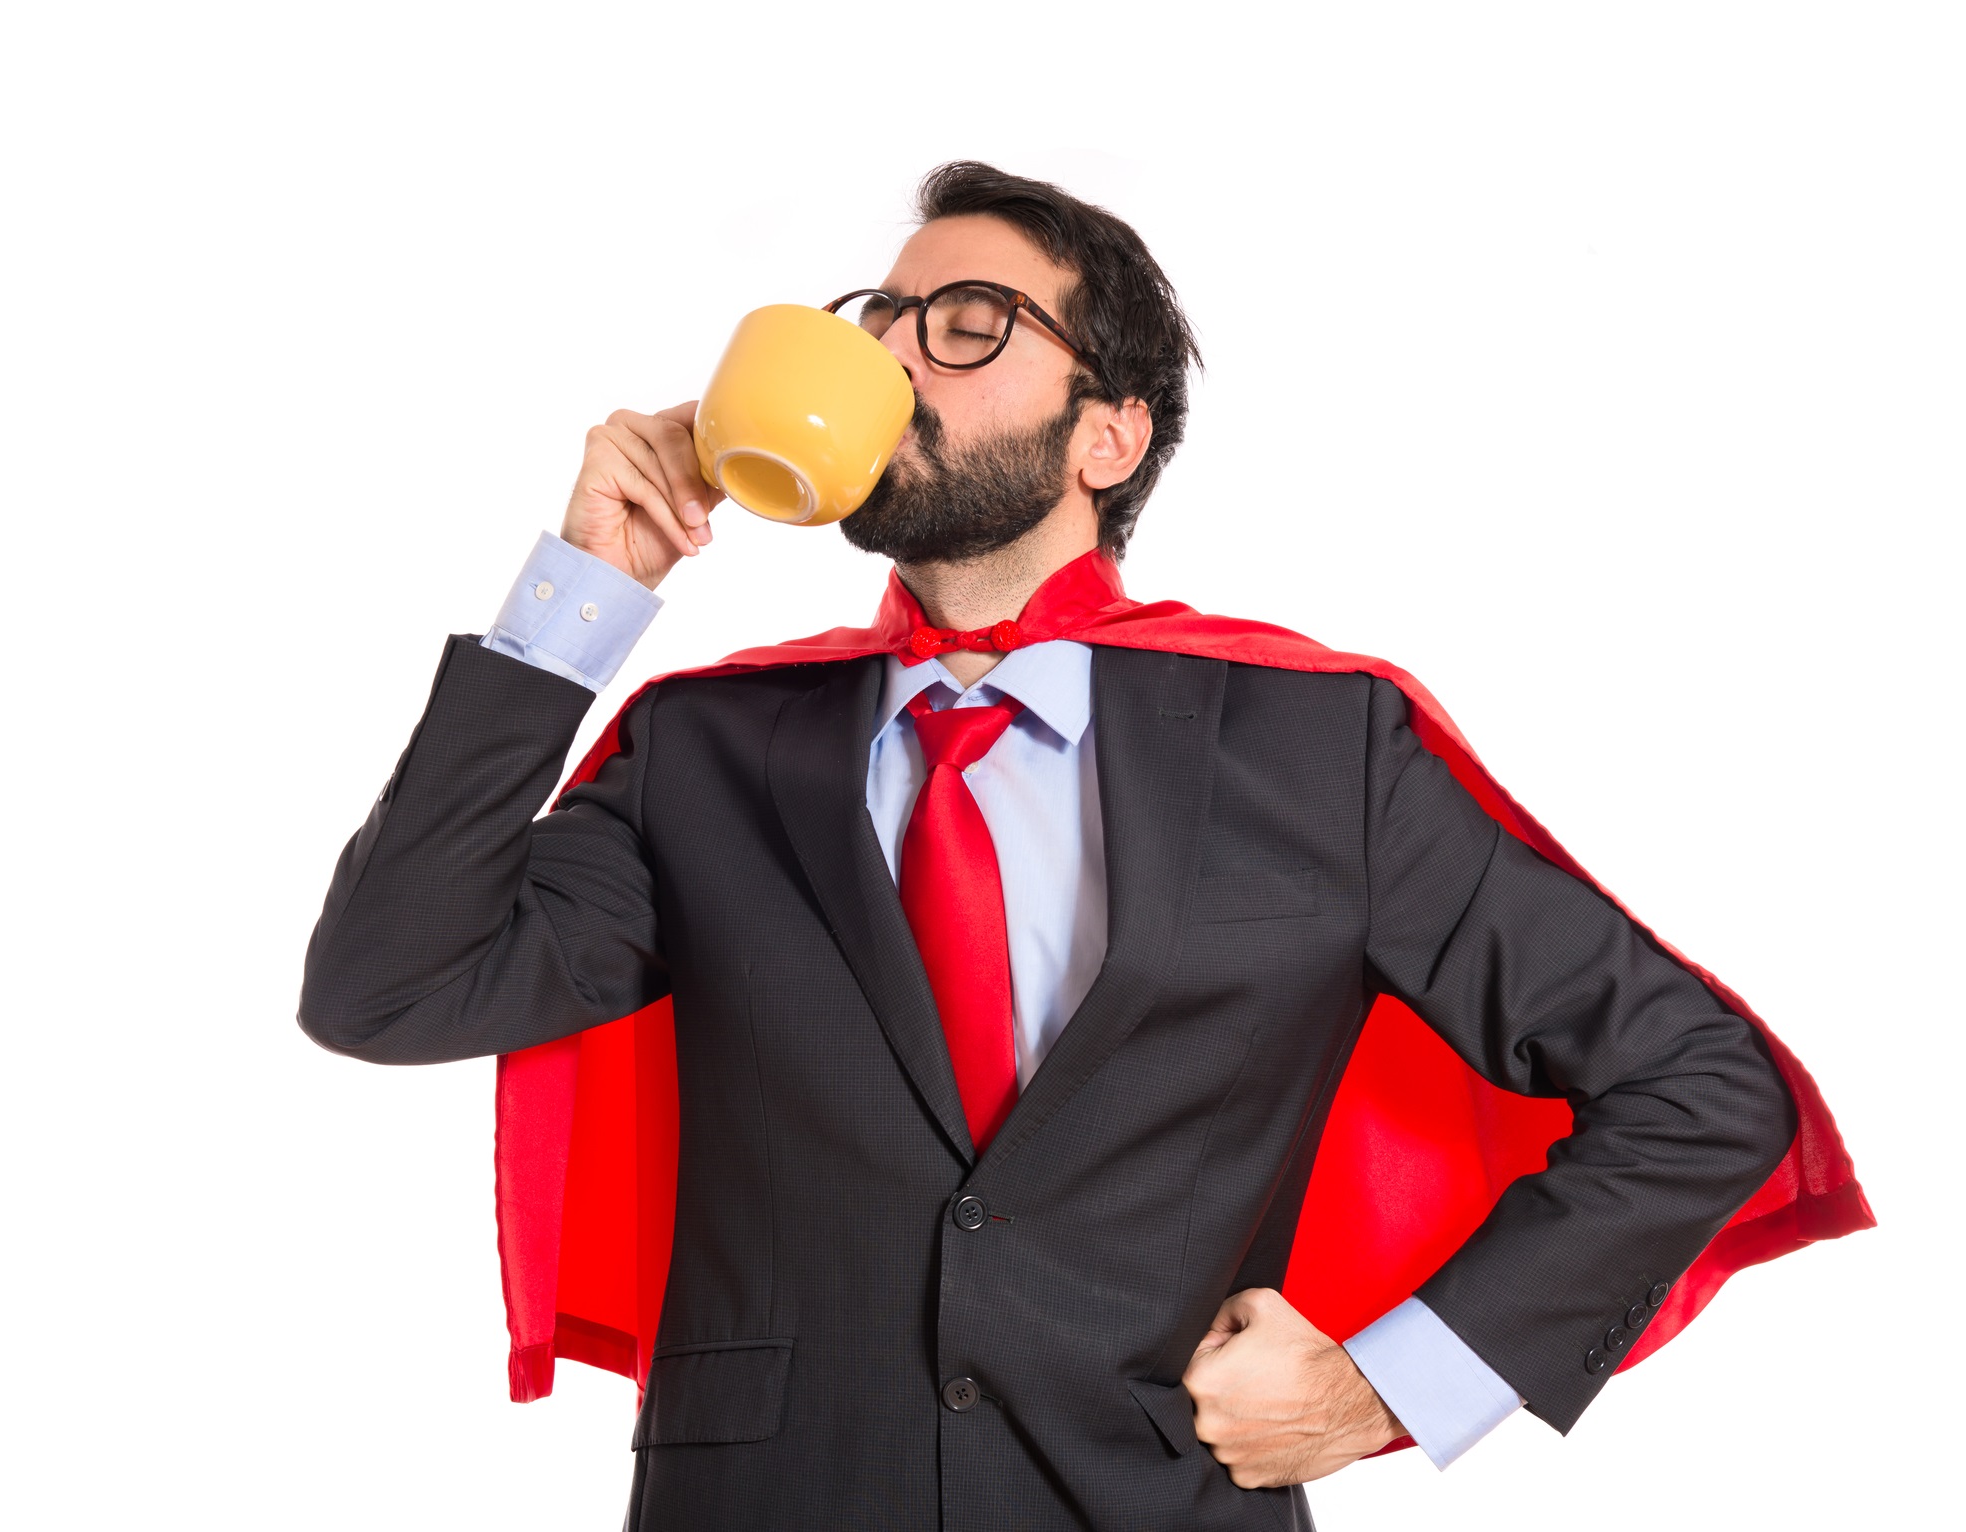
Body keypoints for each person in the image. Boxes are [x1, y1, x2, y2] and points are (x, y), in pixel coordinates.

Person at [299, 162, 1863, 1531]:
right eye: (879, 323)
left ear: (1108, 435)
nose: (896, 359)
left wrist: (1386, 1388)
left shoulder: (1319, 745)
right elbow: (390, 988)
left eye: (966, 323)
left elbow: (1703, 1089)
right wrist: (580, 600)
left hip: (1155, 1501)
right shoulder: (708, 749)